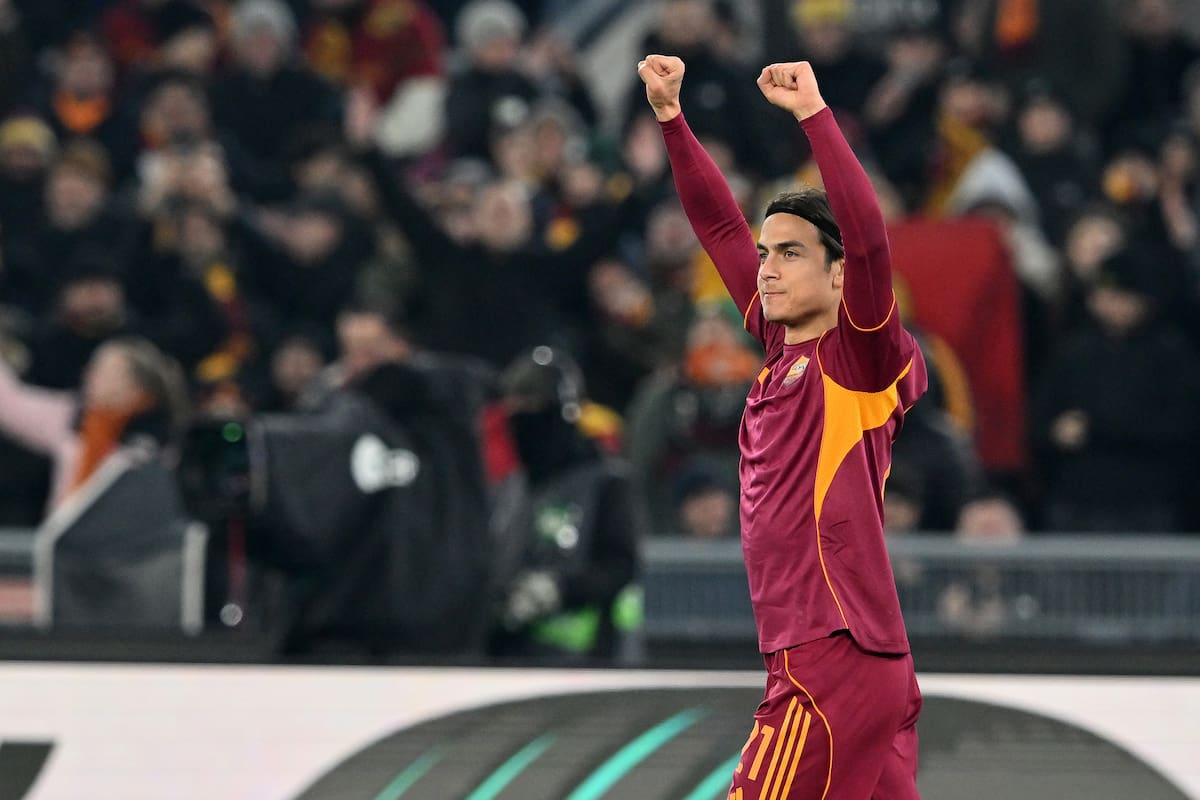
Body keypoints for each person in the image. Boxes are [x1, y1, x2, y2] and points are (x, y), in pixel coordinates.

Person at [639, 55, 925, 798]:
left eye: (791, 254)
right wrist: (671, 118)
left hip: (827, 658)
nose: (766, 268)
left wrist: (814, 116)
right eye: (768, 254)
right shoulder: (778, 343)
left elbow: (867, 239)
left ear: (838, 276)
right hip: (861, 660)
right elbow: (719, 223)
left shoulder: (857, 355)